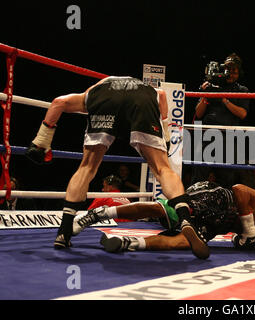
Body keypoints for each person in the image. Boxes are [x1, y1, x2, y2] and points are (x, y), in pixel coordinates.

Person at [25, 76, 208, 258]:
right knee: (162, 169)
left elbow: (58, 102)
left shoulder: (93, 93)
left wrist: (41, 142)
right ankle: (184, 217)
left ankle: (64, 232)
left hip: (104, 102)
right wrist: (166, 136)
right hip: (142, 102)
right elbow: (160, 94)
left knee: (87, 167)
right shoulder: (144, 88)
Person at [71, 181, 255, 254]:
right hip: (219, 199)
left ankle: (130, 243)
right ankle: (100, 213)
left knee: (188, 242)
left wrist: (242, 240)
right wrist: (249, 229)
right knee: (161, 210)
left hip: (220, 225)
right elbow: (239, 189)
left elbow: (238, 243)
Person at [191, 53, 250, 189]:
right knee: (199, 174)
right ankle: (193, 205)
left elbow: (242, 113)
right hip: (207, 135)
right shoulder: (212, 85)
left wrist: (223, 99)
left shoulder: (242, 90)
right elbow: (198, 113)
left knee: (227, 177)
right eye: (228, 70)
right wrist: (207, 95)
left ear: (239, 73)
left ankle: (226, 207)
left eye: (234, 72)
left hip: (228, 137)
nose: (230, 74)